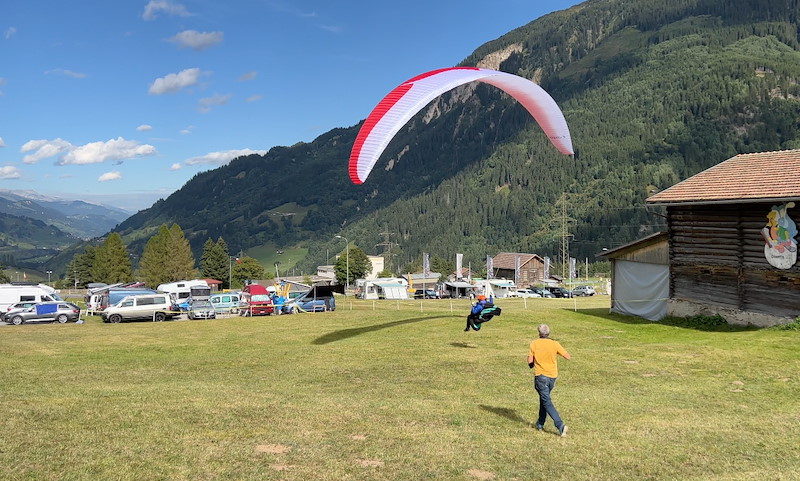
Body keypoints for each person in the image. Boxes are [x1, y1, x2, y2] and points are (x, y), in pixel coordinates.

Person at [527, 323, 571, 436]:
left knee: (546, 401)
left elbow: (530, 361)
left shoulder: (534, 344)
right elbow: (567, 356)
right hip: (552, 376)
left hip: (540, 376)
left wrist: (532, 363)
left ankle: (560, 425)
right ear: (548, 333)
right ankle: (540, 423)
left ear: (539, 333)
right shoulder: (555, 344)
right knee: (544, 398)